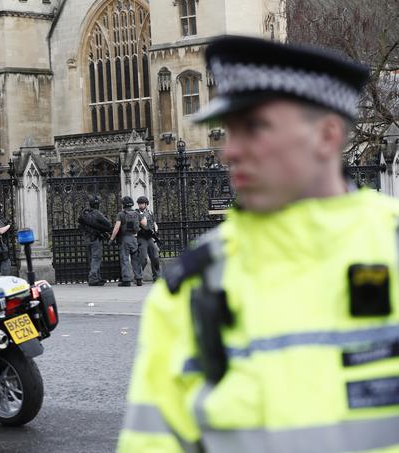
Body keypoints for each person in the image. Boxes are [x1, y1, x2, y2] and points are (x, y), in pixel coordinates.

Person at [117, 36, 399, 452]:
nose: (230, 150)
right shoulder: (192, 288)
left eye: (255, 127)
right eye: (230, 130)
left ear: (327, 134)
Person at [109, 196, 146, 287]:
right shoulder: (136, 213)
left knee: (125, 259)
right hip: (134, 238)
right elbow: (144, 223)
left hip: (124, 239)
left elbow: (117, 227)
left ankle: (126, 280)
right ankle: (139, 279)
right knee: (135, 259)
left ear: (123, 204)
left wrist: (111, 239)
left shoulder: (121, 214)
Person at [78, 195, 113, 286]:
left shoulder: (84, 213)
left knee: (92, 259)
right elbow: (108, 224)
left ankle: (98, 277)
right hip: (96, 238)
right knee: (96, 258)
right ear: (97, 204)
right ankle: (93, 278)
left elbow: (80, 225)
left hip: (86, 238)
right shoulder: (97, 213)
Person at [135, 195, 160, 282]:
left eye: (142, 203)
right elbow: (140, 224)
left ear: (146, 204)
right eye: (139, 204)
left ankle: (157, 276)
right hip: (142, 237)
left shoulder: (150, 213)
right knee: (143, 259)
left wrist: (156, 231)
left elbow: (154, 222)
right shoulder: (136, 213)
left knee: (155, 257)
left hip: (150, 238)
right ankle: (138, 277)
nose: (141, 205)